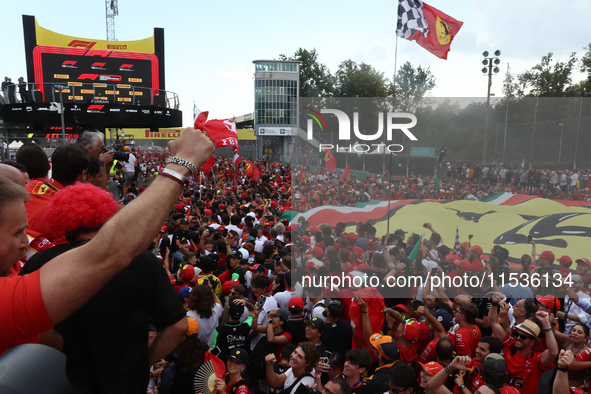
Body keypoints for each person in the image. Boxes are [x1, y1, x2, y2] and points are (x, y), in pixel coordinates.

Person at [0, 126, 213, 356]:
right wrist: (182, 163)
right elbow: (110, 252)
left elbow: (53, 342)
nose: (28, 240)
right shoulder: (145, 263)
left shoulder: (36, 264)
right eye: (17, 232)